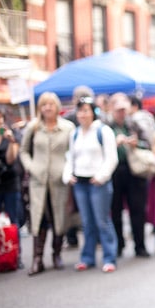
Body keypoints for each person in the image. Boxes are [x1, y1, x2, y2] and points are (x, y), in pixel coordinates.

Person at [20, 92, 75, 275]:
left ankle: (56, 254)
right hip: (38, 181)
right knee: (38, 218)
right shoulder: (34, 127)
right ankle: (37, 259)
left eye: (51, 104)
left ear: (57, 107)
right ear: (40, 108)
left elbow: (73, 152)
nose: (48, 108)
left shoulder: (67, 128)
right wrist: (31, 167)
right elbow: (24, 151)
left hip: (59, 180)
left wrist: (68, 170)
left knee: (59, 216)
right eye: (44, 105)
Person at [63, 97, 119, 273]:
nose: (82, 114)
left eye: (86, 110)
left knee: (102, 220)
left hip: (98, 183)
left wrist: (101, 176)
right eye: (80, 111)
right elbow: (70, 156)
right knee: (86, 222)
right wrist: (68, 175)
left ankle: (109, 257)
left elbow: (112, 157)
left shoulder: (104, 131)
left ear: (93, 112)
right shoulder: (75, 133)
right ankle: (87, 257)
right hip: (80, 182)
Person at [107, 93, 151, 258]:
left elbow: (148, 144)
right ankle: (118, 244)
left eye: (124, 110)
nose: (121, 113)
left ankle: (140, 245)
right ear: (112, 109)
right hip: (115, 172)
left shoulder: (135, 124)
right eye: (118, 110)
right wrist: (114, 142)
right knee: (115, 210)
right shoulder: (106, 126)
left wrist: (136, 143)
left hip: (134, 171)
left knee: (137, 210)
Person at [0, 107, 22, 270]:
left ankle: (16, 255)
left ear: (3, 119)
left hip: (9, 184)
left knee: (13, 220)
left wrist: (11, 142)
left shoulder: (10, 134)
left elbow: (10, 160)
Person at [62, 85, 95, 249]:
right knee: (77, 205)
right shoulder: (70, 121)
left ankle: (74, 237)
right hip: (76, 169)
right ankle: (75, 237)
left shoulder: (94, 121)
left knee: (75, 205)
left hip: (88, 170)